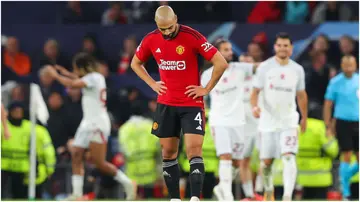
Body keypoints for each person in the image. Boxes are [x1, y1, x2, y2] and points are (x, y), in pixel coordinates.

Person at [130, 5, 228, 201]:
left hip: (191, 104)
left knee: (194, 150)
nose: (166, 32)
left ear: (176, 19)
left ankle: (194, 198)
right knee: (168, 152)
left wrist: (206, 89)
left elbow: (221, 63)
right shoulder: (151, 39)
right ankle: (175, 198)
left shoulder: (192, 36)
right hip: (166, 103)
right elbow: (135, 63)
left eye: (170, 27)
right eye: (162, 28)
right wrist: (152, 83)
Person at [44, 53, 136, 200]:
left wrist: (55, 75)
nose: (75, 72)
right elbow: (78, 79)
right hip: (87, 122)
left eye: (75, 69)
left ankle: (127, 182)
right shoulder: (94, 78)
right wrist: (65, 72)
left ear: (82, 68)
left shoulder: (94, 77)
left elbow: (74, 84)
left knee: (99, 162)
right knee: (76, 155)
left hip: (97, 123)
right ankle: (77, 194)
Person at [201, 39, 261, 201]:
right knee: (225, 156)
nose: (231, 52)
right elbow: (200, 97)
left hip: (238, 122)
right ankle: (227, 194)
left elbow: (259, 67)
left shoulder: (239, 69)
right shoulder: (207, 74)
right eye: (226, 50)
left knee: (236, 161)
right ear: (217, 52)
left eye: (230, 49)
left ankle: (221, 187)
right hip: (219, 121)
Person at [250, 32, 308, 201]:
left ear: (291, 48)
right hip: (268, 122)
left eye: (286, 45)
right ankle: (269, 192)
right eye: (280, 45)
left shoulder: (297, 69)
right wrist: (254, 106)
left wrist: (304, 117)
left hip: (289, 121)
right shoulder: (265, 67)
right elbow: (255, 92)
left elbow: (301, 95)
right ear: (275, 47)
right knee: (267, 162)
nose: (283, 48)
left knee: (289, 156)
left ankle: (287, 196)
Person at [323, 55, 359, 200]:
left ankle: (346, 176)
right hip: (343, 122)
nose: (349, 68)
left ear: (356, 65)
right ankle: (346, 192)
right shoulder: (335, 82)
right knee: (347, 154)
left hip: (358, 121)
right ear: (342, 66)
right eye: (346, 65)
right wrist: (327, 125)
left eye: (351, 65)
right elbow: (328, 104)